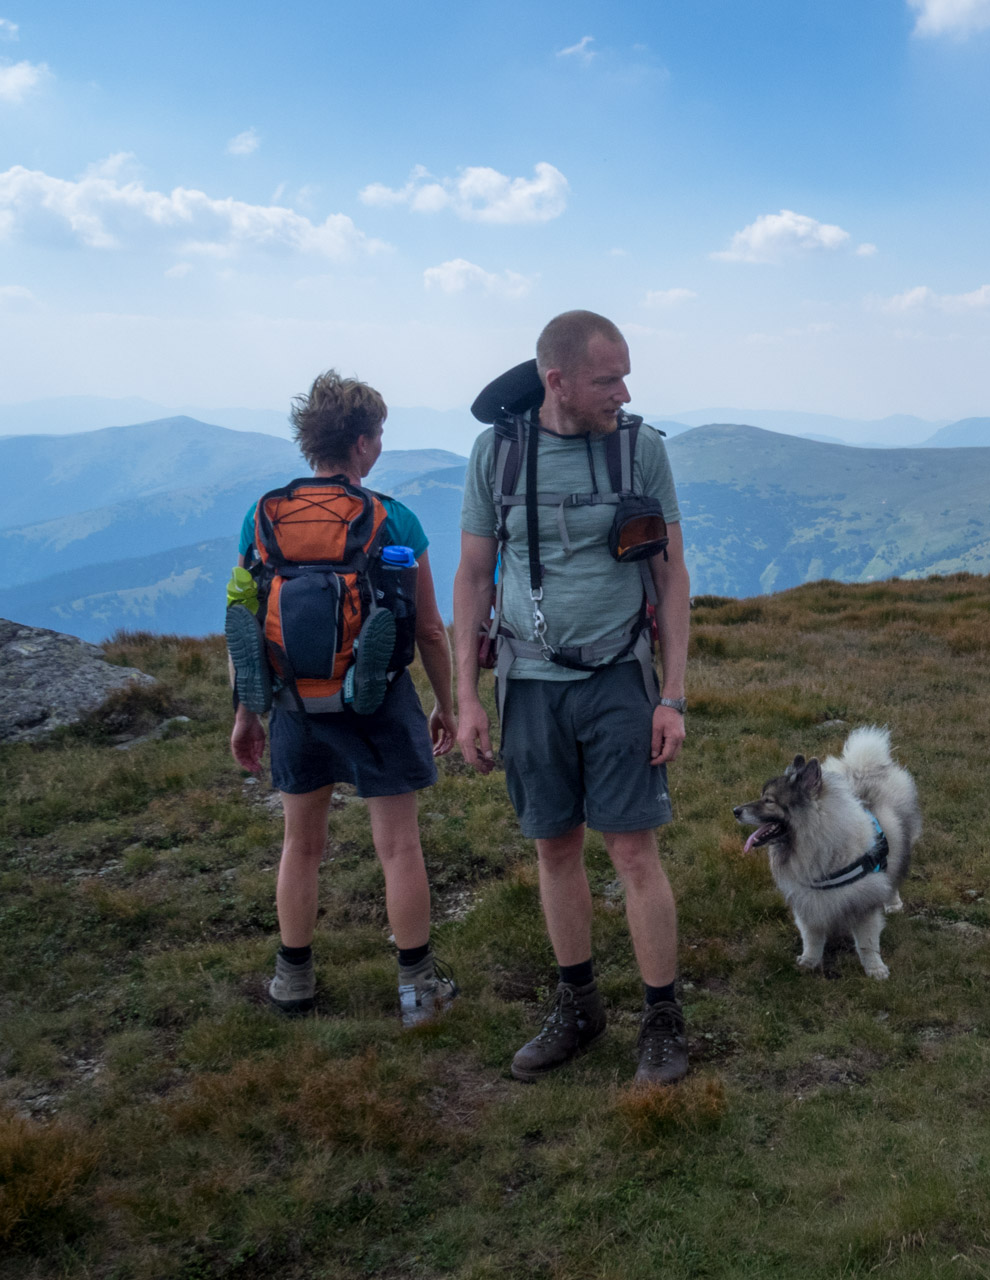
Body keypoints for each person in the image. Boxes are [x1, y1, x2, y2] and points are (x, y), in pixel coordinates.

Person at [453, 310, 692, 1085]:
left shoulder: (640, 450)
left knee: (632, 850)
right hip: (529, 684)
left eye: (625, 375)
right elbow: (472, 577)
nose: (622, 393)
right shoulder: (497, 454)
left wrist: (674, 696)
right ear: (556, 380)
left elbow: (670, 576)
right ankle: (579, 1005)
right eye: (607, 379)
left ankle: (662, 1018)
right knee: (554, 847)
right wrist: (465, 697)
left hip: (621, 678)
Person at [229, 371, 460, 1026]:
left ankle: (291, 984)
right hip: (378, 702)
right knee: (398, 847)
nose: (380, 445)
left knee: (300, 845)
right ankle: (419, 994)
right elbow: (427, 628)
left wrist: (249, 710)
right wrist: (446, 703)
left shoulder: (263, 516)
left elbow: (247, 619)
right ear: (361, 442)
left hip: (295, 706)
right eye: (379, 434)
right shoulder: (393, 518)